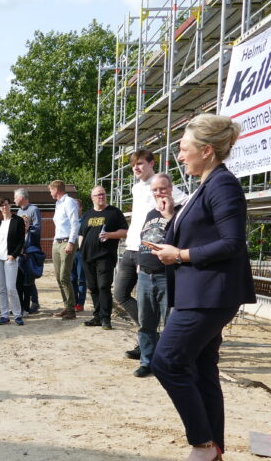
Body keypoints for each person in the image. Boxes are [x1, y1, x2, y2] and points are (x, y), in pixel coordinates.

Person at [148, 114, 256, 461]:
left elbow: (232, 243)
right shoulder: (206, 185)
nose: (180, 156)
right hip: (200, 292)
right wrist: (171, 223)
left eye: (184, 149)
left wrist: (179, 255)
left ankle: (202, 445)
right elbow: (202, 232)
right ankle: (213, 451)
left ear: (207, 151)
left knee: (168, 362)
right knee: (201, 369)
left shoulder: (222, 185)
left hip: (209, 295)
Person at [120, 148, 190, 359]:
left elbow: (187, 202)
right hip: (131, 247)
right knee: (121, 294)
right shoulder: (136, 188)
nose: (136, 167)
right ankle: (148, 338)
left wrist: (170, 216)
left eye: (140, 163)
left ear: (151, 163)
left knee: (157, 304)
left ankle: (149, 346)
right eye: (133, 165)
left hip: (150, 252)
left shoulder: (160, 186)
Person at [133, 173, 178, 378]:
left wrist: (169, 215)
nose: (159, 193)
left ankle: (168, 364)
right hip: (145, 274)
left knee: (170, 324)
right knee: (146, 323)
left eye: (163, 188)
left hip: (165, 275)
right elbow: (145, 239)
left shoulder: (179, 213)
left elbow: (181, 240)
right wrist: (140, 265)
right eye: (155, 190)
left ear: (170, 189)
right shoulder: (151, 213)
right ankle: (147, 361)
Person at [77, 186, 127, 330]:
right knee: (92, 288)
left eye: (103, 194)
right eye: (98, 195)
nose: (101, 197)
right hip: (87, 257)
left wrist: (110, 235)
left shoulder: (114, 212)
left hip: (105, 256)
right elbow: (81, 233)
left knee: (103, 286)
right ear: (92, 197)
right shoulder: (87, 214)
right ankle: (97, 316)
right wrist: (81, 249)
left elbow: (125, 232)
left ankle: (106, 318)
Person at [0, 197, 26, 325]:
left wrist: (14, 255)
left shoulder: (18, 220)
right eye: (1, 206)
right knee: (1, 289)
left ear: (10, 205)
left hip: (10, 258)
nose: (4, 207)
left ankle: (17, 315)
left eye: (6, 205)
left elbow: (21, 240)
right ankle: (4, 315)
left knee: (11, 288)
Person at [49, 180, 80, 320]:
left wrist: (71, 242)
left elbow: (74, 223)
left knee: (64, 276)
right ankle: (67, 306)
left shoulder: (69, 202)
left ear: (56, 190)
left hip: (67, 242)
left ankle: (71, 310)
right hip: (58, 241)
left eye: (51, 190)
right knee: (58, 277)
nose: (50, 193)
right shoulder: (58, 204)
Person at [14, 188, 41, 313]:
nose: (14, 199)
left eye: (15, 197)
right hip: (20, 251)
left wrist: (26, 230)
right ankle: (24, 304)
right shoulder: (19, 211)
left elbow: (37, 228)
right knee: (21, 279)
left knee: (30, 278)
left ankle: (34, 302)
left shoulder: (34, 209)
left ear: (22, 197)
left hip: (30, 250)